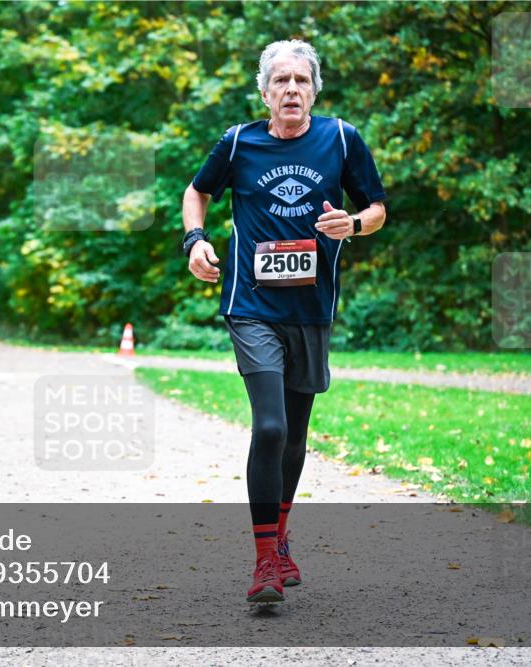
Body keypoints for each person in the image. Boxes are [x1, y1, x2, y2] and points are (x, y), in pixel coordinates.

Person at [182, 40, 387, 603]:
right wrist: (194, 240)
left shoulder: (341, 138)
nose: (291, 89)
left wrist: (356, 224)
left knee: (295, 435)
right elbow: (196, 193)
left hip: (310, 308)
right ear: (265, 91)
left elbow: (377, 206)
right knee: (269, 428)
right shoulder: (239, 142)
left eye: (301, 80)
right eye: (281, 81)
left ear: (314, 90)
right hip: (250, 305)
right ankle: (264, 562)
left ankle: (281, 535)